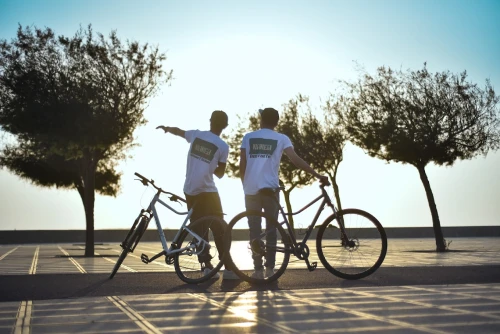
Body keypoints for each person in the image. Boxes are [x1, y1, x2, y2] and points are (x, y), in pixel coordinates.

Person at [239, 107, 329, 279]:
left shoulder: (248, 137)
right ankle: (270, 269)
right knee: (271, 229)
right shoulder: (281, 138)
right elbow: (295, 160)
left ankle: (257, 271)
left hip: (251, 190)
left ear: (261, 120)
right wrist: (316, 174)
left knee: (254, 231)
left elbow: (242, 164)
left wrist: (245, 185)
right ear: (276, 122)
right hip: (271, 189)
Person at [157, 110, 238, 280]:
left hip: (189, 189)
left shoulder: (196, 135)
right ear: (225, 126)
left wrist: (167, 128)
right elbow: (221, 173)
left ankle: (207, 267)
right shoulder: (222, 146)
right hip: (207, 191)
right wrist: (210, 165)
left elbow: (179, 132)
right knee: (219, 228)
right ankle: (229, 268)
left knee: (198, 230)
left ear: (210, 121)